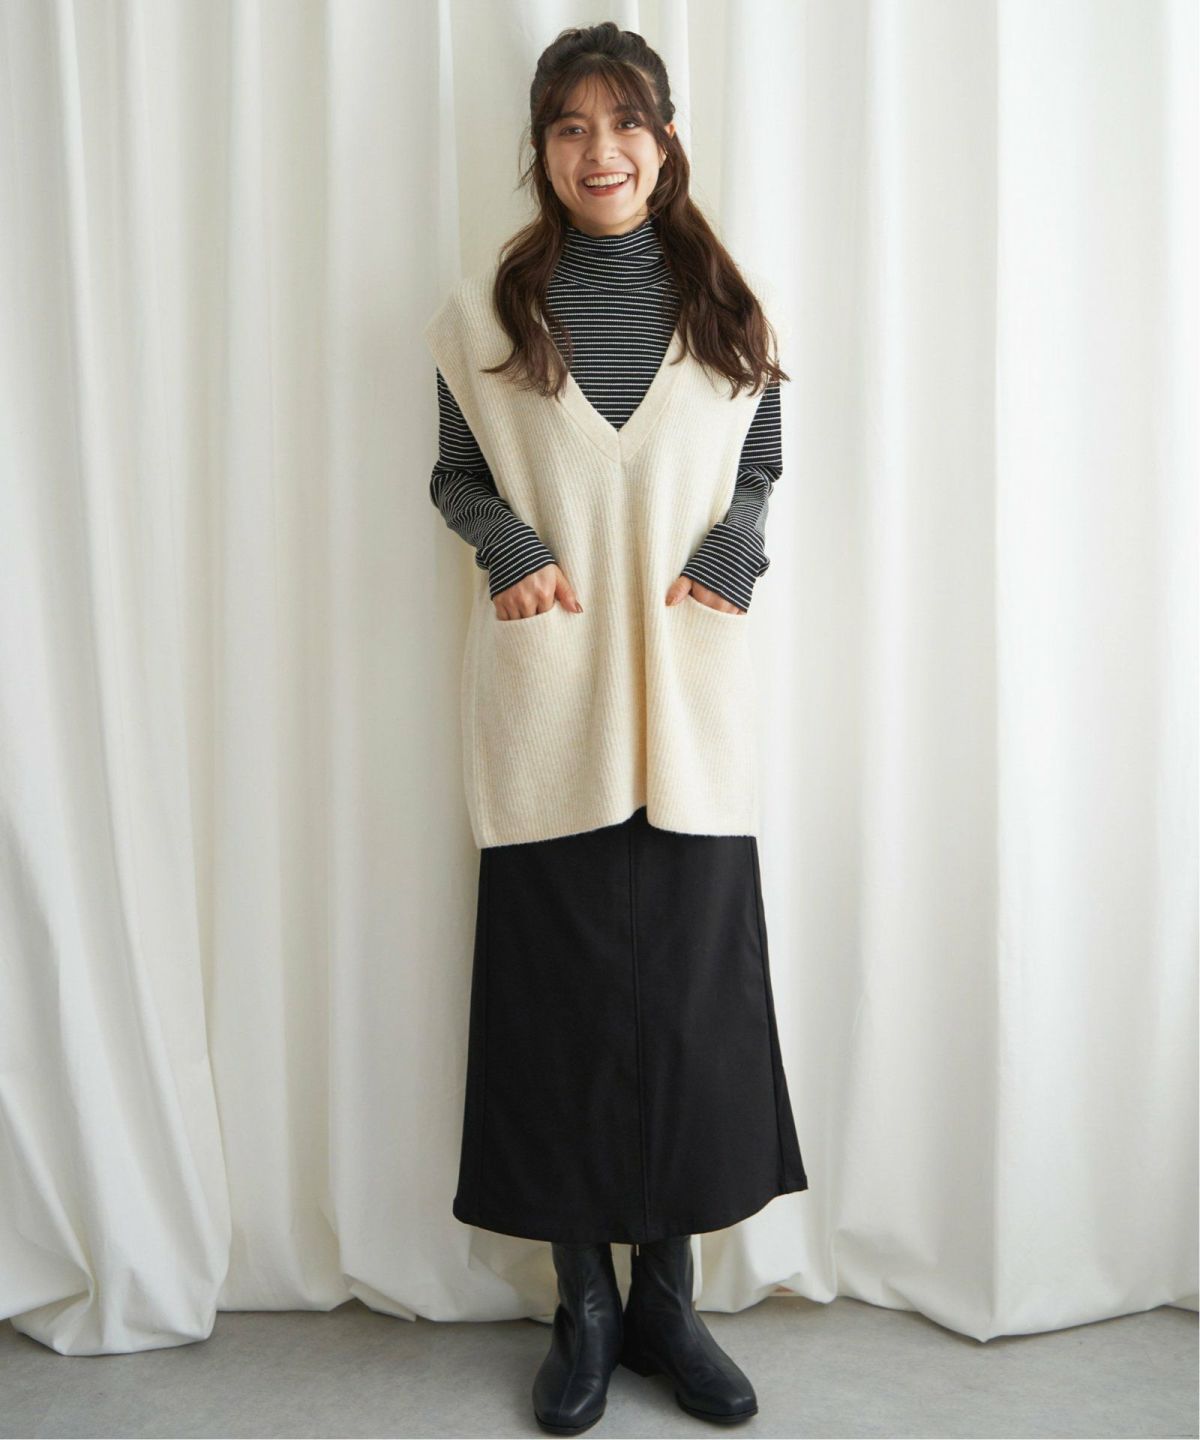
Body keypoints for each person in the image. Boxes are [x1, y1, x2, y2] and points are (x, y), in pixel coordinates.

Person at [423, 21, 808, 1435]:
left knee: (695, 1012)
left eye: (626, 122)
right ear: (541, 148)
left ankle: (670, 1304)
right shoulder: (488, 313)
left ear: (665, 138)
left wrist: (741, 543)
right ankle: (582, 1303)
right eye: (572, 126)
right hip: (551, 700)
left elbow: (761, 456)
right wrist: (506, 546)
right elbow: (455, 473)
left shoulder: (729, 303)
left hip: (693, 700)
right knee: (560, 1008)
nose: (602, 151)